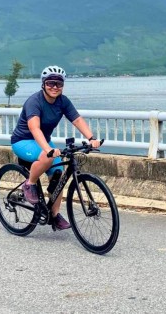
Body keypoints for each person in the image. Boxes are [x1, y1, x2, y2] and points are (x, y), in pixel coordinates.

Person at [10, 65, 101, 231]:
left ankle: (54, 214)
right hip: (23, 141)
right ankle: (29, 184)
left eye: (59, 84)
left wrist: (91, 138)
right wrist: (47, 149)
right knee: (48, 157)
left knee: (58, 175)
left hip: (43, 140)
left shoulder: (63, 101)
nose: (54, 87)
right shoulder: (34, 101)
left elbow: (77, 120)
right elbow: (34, 128)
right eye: (50, 83)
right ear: (43, 84)